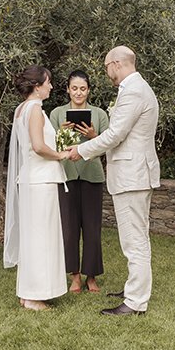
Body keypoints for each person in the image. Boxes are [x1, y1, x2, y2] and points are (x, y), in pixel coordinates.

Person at [66, 46, 160, 317]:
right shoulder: (138, 89)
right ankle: (134, 288)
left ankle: (135, 302)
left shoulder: (133, 91)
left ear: (116, 64)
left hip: (132, 176)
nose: (107, 74)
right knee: (135, 237)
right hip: (135, 174)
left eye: (107, 67)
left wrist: (81, 150)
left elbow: (115, 134)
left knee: (135, 241)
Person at [2, 65, 76, 311]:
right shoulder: (34, 110)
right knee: (41, 237)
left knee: (34, 237)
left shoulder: (22, 109)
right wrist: (61, 155)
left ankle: (29, 292)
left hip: (32, 180)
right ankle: (33, 296)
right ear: (37, 85)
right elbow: (37, 146)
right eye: (49, 82)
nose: (52, 86)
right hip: (40, 181)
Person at [49, 69, 110, 294]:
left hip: (92, 176)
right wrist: (62, 133)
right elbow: (51, 147)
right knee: (69, 228)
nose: (78, 92)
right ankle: (74, 276)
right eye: (74, 88)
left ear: (89, 91)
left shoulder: (100, 114)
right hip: (66, 176)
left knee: (92, 228)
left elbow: (108, 145)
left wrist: (94, 136)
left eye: (82, 88)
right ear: (67, 89)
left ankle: (91, 277)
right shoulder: (56, 114)